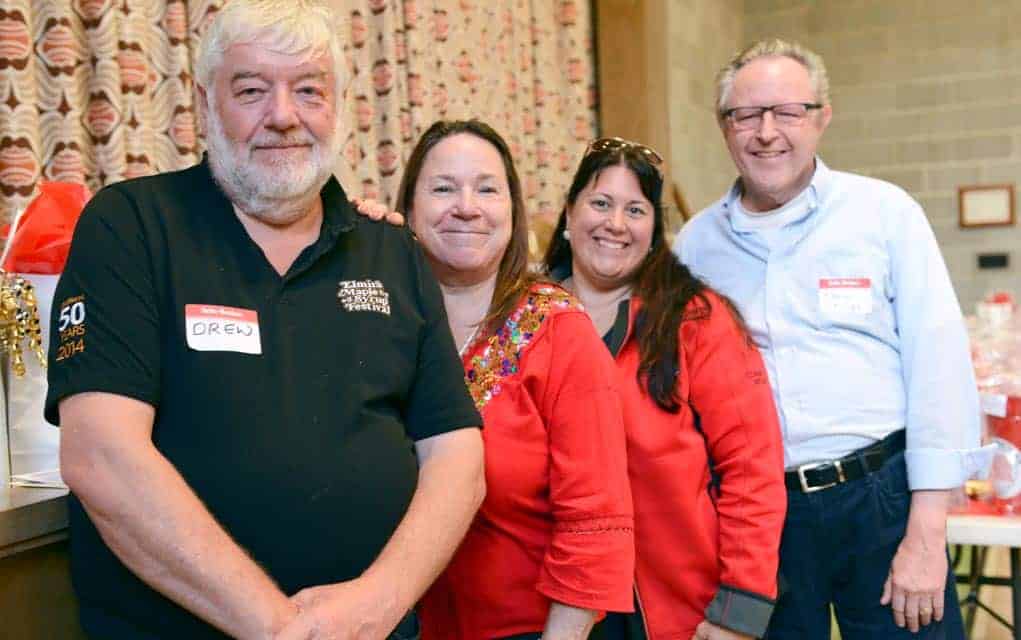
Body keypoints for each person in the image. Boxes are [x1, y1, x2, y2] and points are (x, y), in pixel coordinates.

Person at [45, 2, 485, 639]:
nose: (283, 116)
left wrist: (375, 605)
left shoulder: (393, 251)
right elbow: (100, 456)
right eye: (252, 90)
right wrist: (277, 627)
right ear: (205, 102)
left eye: (308, 90)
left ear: (339, 104)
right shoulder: (131, 227)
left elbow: (458, 457)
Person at [675, 38, 989, 639]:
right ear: (724, 127)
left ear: (821, 117)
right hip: (761, 518)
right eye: (747, 115)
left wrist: (926, 531)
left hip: (881, 501)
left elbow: (938, 366)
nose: (767, 132)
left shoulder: (883, 213)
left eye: (788, 111)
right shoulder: (694, 248)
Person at [392, 119, 635, 640]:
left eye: (486, 188)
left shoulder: (560, 332)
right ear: (409, 209)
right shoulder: (383, 326)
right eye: (442, 188)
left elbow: (596, 524)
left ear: (512, 210)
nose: (467, 206)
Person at [543, 138, 786, 640]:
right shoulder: (527, 319)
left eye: (635, 209)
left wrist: (737, 613)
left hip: (669, 611)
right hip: (549, 606)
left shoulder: (696, 320)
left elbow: (752, 470)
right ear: (569, 214)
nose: (615, 224)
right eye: (600, 203)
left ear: (654, 230)